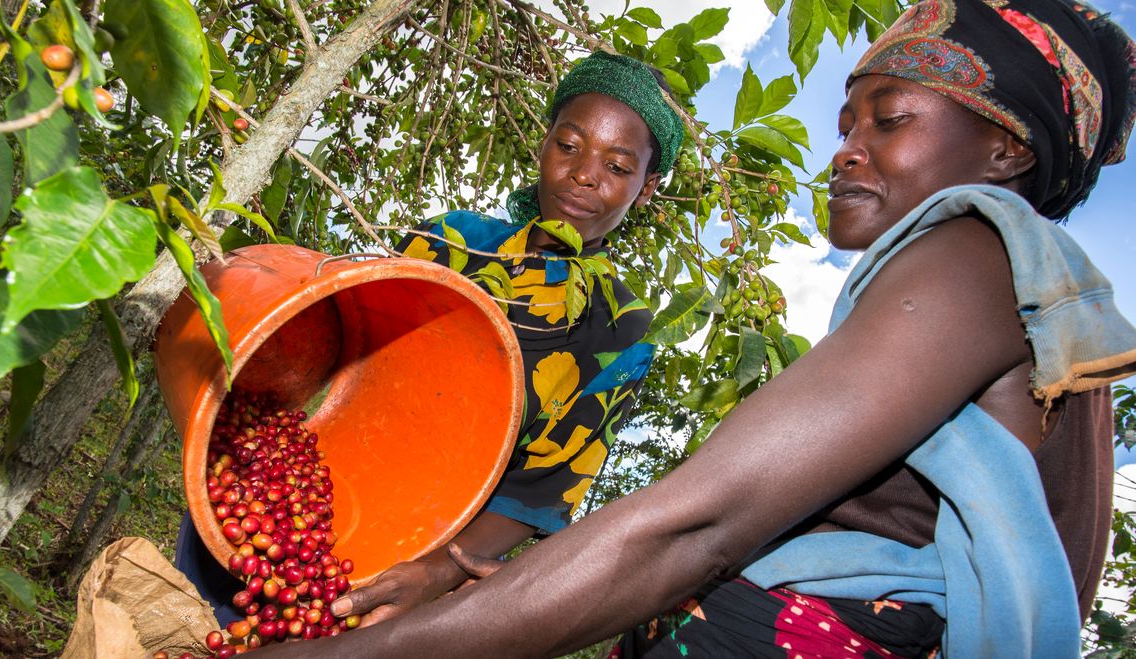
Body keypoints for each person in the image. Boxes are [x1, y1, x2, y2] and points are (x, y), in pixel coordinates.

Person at [249, 0, 1136, 656]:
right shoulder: (1011, 290)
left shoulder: (977, 248)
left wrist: (351, 653)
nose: (846, 149)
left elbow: (693, 525)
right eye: (846, 121)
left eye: (891, 120)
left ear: (1008, 152)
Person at [177, 51, 685, 628]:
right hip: (279, 494)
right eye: (568, 146)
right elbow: (341, 343)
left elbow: (544, 486)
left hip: (415, 549)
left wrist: (440, 571)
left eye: (618, 167)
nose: (584, 173)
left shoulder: (621, 328)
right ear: (543, 146)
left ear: (646, 189)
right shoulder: (452, 239)